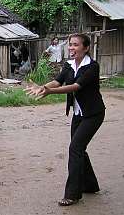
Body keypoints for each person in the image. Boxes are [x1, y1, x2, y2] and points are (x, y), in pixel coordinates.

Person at [25, 33, 106, 206]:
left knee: (75, 148)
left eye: (76, 45)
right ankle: (91, 185)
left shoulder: (92, 66)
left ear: (85, 48)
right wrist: (43, 87)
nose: (71, 48)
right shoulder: (69, 65)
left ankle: (73, 194)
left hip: (93, 114)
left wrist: (49, 92)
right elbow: (58, 81)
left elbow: (76, 86)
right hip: (78, 114)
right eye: (70, 44)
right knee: (79, 148)